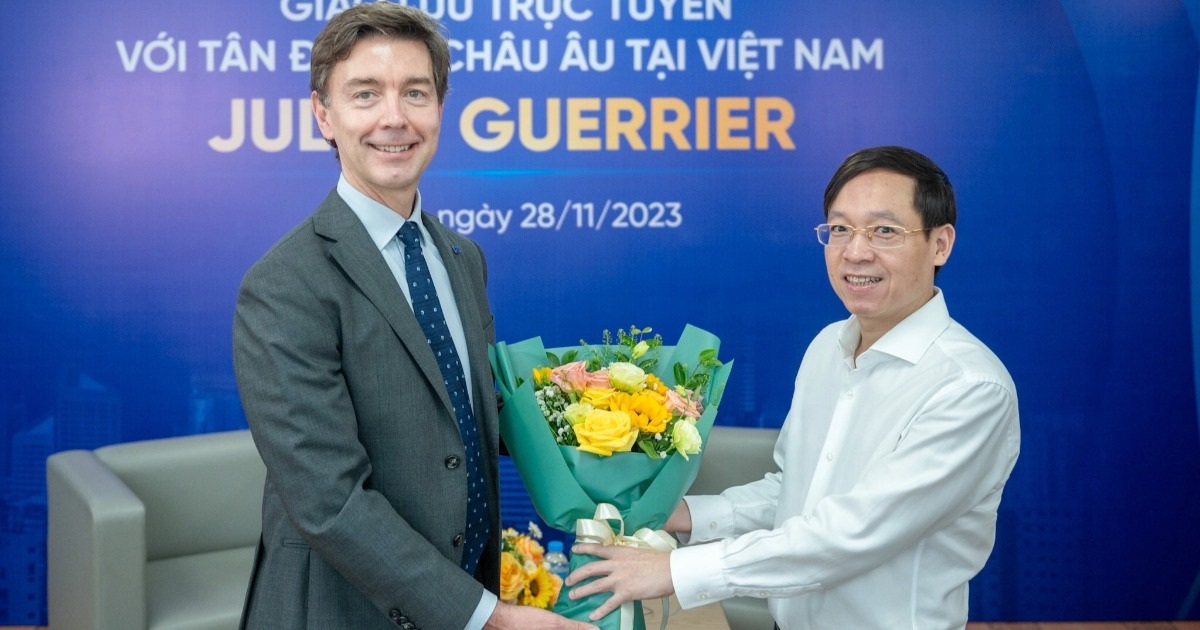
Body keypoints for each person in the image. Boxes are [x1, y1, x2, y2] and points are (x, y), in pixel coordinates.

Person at [232, 5, 591, 629]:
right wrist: (490, 618)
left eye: (415, 93)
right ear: (324, 115)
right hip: (342, 610)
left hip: (465, 588)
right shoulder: (283, 285)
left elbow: (464, 412)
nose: (394, 117)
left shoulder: (461, 256)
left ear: (440, 108)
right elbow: (329, 501)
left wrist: (592, 416)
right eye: (365, 94)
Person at [565, 146, 1021, 629]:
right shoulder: (829, 347)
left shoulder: (970, 388)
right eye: (840, 229)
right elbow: (796, 494)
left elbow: (851, 534)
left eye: (884, 231)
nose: (856, 251)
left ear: (940, 244)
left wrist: (675, 570)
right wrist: (682, 515)